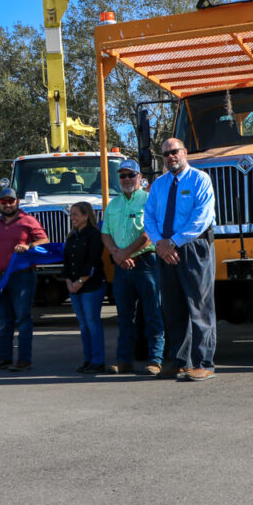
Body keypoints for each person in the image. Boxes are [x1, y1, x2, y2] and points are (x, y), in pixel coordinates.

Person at [144, 138, 217, 382]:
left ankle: (204, 363)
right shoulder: (158, 185)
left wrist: (172, 241)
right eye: (165, 154)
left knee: (199, 307)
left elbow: (201, 218)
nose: (170, 157)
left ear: (184, 152)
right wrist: (161, 244)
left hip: (193, 248)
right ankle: (179, 361)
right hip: (166, 250)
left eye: (174, 152)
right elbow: (150, 218)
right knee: (173, 308)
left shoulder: (200, 180)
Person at [102, 159, 165, 376]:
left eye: (131, 175)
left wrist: (124, 254)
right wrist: (116, 255)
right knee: (124, 316)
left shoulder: (149, 200)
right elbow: (105, 233)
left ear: (140, 177)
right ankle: (124, 360)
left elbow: (149, 235)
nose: (127, 179)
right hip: (122, 267)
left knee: (153, 313)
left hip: (146, 264)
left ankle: (156, 360)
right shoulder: (113, 204)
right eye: (123, 176)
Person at [0, 187, 49, 371]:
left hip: (22, 277)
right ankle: (4, 358)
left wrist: (29, 246)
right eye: (4, 201)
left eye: (11, 201)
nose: (8, 204)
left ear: (17, 202)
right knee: (4, 320)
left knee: (23, 319)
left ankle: (24, 359)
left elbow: (44, 240)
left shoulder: (28, 220)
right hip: (1, 277)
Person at [63, 202, 106, 373]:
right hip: (74, 287)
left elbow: (93, 261)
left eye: (76, 214)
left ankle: (98, 360)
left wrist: (80, 281)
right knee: (83, 324)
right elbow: (66, 262)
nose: (72, 218)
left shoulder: (94, 235)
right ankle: (87, 359)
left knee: (92, 323)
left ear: (86, 215)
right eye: (71, 215)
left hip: (91, 286)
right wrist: (68, 282)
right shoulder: (72, 236)